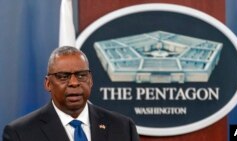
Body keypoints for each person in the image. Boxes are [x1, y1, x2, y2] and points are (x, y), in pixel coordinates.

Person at [2, 46, 140, 141]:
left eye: (81, 75)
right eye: (63, 76)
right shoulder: (20, 133)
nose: (74, 82)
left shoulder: (123, 127)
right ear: (48, 83)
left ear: (90, 80)